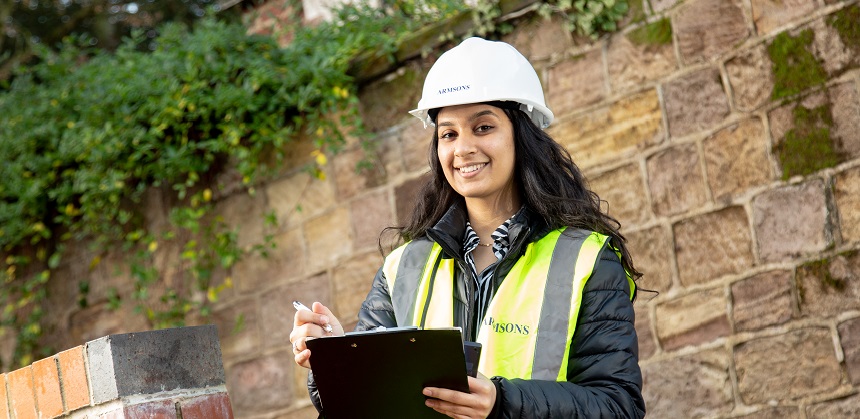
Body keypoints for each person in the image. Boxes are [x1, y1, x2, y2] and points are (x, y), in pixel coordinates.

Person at [290, 37, 645, 418]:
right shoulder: (404, 267)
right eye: (449, 133)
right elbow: (365, 408)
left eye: (483, 126)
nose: (463, 149)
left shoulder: (587, 260)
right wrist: (333, 360)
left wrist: (502, 403)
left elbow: (617, 406)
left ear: (522, 135)